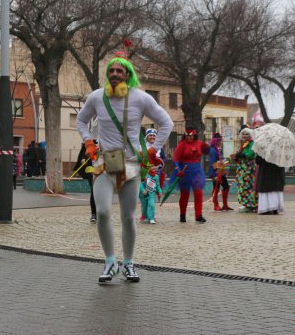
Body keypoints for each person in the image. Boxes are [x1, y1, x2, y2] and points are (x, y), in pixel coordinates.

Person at [77, 53, 173, 283]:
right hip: (103, 164)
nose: (114, 74)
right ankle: (110, 261)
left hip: (131, 165)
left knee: (128, 218)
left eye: (119, 71)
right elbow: (81, 120)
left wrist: (153, 150)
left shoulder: (141, 98)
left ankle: (128, 263)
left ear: (128, 75)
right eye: (111, 71)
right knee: (101, 213)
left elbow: (167, 123)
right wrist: (88, 141)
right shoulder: (97, 97)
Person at [171, 127, 210, 223]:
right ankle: (182, 215)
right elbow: (176, 159)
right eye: (187, 136)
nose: (189, 138)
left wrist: (208, 147)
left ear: (194, 135)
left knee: (198, 193)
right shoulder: (182, 145)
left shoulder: (199, 143)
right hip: (185, 171)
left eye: (191, 136)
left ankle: (198, 215)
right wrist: (179, 170)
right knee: (185, 194)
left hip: (196, 171)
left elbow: (207, 151)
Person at [231, 127, 258, 212]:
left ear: (251, 136)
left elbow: (250, 154)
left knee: (248, 186)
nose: (245, 135)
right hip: (243, 168)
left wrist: (239, 155)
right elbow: (241, 156)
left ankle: (250, 204)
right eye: (243, 133)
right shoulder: (244, 144)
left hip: (249, 169)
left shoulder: (252, 144)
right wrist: (236, 157)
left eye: (247, 134)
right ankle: (245, 203)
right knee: (243, 186)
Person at [73, 141, 97, 223]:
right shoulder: (88, 143)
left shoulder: (104, 140)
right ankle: (94, 214)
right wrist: (83, 159)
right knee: (94, 191)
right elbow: (82, 156)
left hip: (103, 169)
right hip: (91, 171)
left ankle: (102, 213)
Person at [208, 132, 232, 211]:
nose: (222, 142)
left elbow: (220, 160)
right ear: (217, 141)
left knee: (226, 187)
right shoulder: (213, 150)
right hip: (216, 173)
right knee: (216, 188)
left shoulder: (217, 149)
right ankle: (216, 205)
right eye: (221, 141)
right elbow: (213, 163)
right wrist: (215, 174)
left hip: (220, 172)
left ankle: (225, 205)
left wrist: (227, 162)